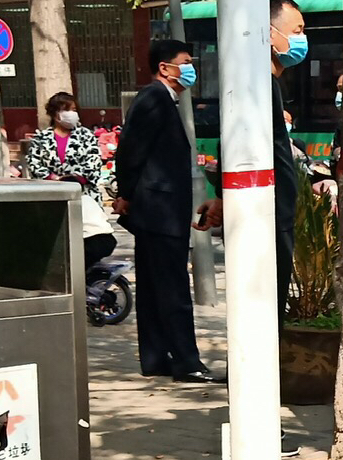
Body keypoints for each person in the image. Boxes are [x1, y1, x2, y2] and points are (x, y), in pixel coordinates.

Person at [115, 36, 215, 384]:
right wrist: (124, 193)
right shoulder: (154, 98)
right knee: (172, 288)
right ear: (165, 68)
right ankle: (187, 361)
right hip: (158, 211)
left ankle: (157, 358)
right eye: (185, 62)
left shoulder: (162, 100)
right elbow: (131, 149)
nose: (191, 70)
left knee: (157, 287)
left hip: (160, 210)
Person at [23, 90, 116, 271]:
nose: (72, 114)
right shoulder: (41, 139)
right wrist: (54, 179)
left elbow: (93, 163)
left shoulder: (86, 136)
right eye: (67, 110)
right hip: (52, 198)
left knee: (93, 243)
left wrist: (75, 179)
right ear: (55, 113)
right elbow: (34, 164)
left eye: (74, 109)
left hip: (84, 198)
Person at [269, 0, 307, 322]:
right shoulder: (259, 85)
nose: (301, 39)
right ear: (270, 34)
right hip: (269, 216)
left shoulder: (271, 85)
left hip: (277, 212)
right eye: (297, 30)